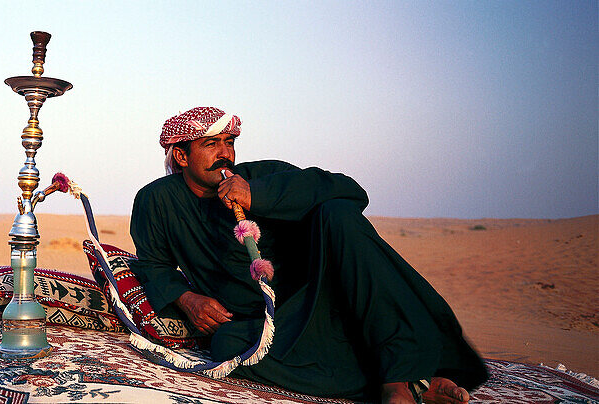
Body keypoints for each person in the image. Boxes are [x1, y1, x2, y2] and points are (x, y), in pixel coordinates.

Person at [129, 107, 488, 403]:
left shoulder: (263, 175)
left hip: (325, 300)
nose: (225, 153)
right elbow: (153, 263)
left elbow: (349, 191)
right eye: (211, 144)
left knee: (337, 215)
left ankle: (399, 383)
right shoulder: (155, 200)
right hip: (271, 325)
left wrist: (257, 195)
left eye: (229, 142)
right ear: (181, 155)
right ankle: (419, 379)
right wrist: (187, 298)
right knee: (228, 345)